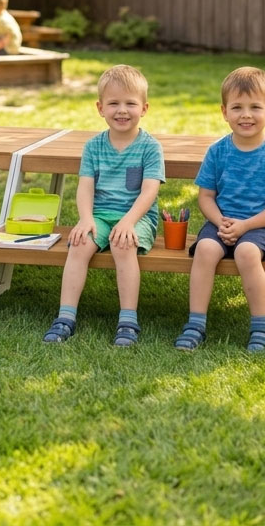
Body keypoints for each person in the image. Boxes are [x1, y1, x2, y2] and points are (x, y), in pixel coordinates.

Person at [174, 66, 265, 354]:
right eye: (237, 107)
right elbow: (206, 196)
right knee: (205, 249)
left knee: (246, 252)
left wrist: (245, 226)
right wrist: (220, 222)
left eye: (255, 107)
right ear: (224, 112)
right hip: (221, 222)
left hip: (262, 227)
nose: (246, 115)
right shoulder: (217, 151)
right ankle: (195, 324)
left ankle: (261, 326)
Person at [43, 64, 164, 347]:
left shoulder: (150, 147)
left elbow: (149, 191)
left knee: (123, 245)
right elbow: (85, 187)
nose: (122, 110)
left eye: (130, 103)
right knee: (79, 244)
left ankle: (128, 321)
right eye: (113, 103)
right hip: (99, 215)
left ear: (144, 108)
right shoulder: (93, 147)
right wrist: (86, 219)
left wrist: (128, 222)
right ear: (100, 108)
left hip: (137, 217)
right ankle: (65, 317)